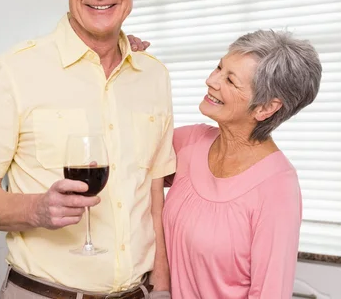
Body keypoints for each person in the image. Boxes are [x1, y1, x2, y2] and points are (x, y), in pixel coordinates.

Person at [0, 0, 174, 299]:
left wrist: (163, 287)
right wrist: (36, 209)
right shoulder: (16, 70)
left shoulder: (153, 76)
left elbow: (154, 194)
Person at [128, 30, 322, 298]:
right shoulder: (190, 143)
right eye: (219, 67)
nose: (211, 81)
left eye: (230, 80)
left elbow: (270, 292)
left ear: (266, 107)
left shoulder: (277, 186)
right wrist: (122, 66)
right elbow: (123, 150)